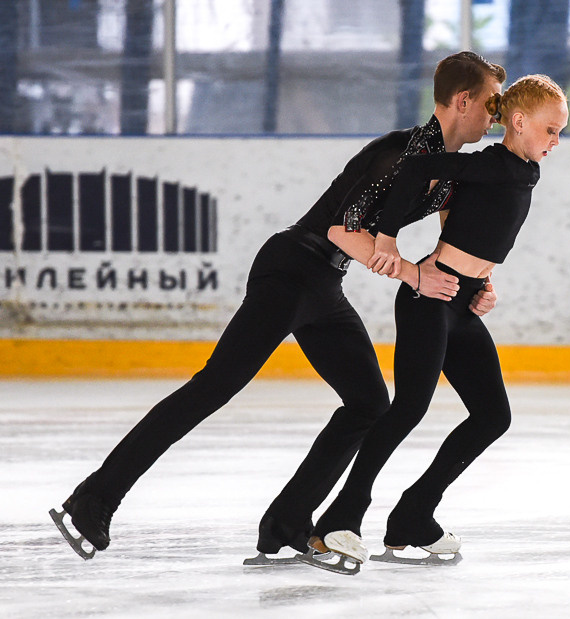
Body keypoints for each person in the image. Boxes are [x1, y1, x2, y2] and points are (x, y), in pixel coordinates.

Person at [50, 51, 507, 561]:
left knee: (368, 403)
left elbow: (457, 232)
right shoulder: (398, 152)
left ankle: (286, 523)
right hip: (292, 268)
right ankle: (93, 498)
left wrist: (475, 283)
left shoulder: (446, 170)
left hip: (325, 283)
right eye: (491, 103)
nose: (497, 115)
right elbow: (342, 228)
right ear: (462, 100)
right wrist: (410, 272)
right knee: (214, 386)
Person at [309, 74, 569, 567]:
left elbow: (477, 225)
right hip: (429, 298)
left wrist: (484, 282)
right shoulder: (491, 163)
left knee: (493, 417)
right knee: (407, 409)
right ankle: (340, 518)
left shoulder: (523, 170)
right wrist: (387, 239)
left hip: (462, 302)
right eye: (551, 130)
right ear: (517, 122)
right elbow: (413, 171)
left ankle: (413, 515)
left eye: (560, 133)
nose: (556, 142)